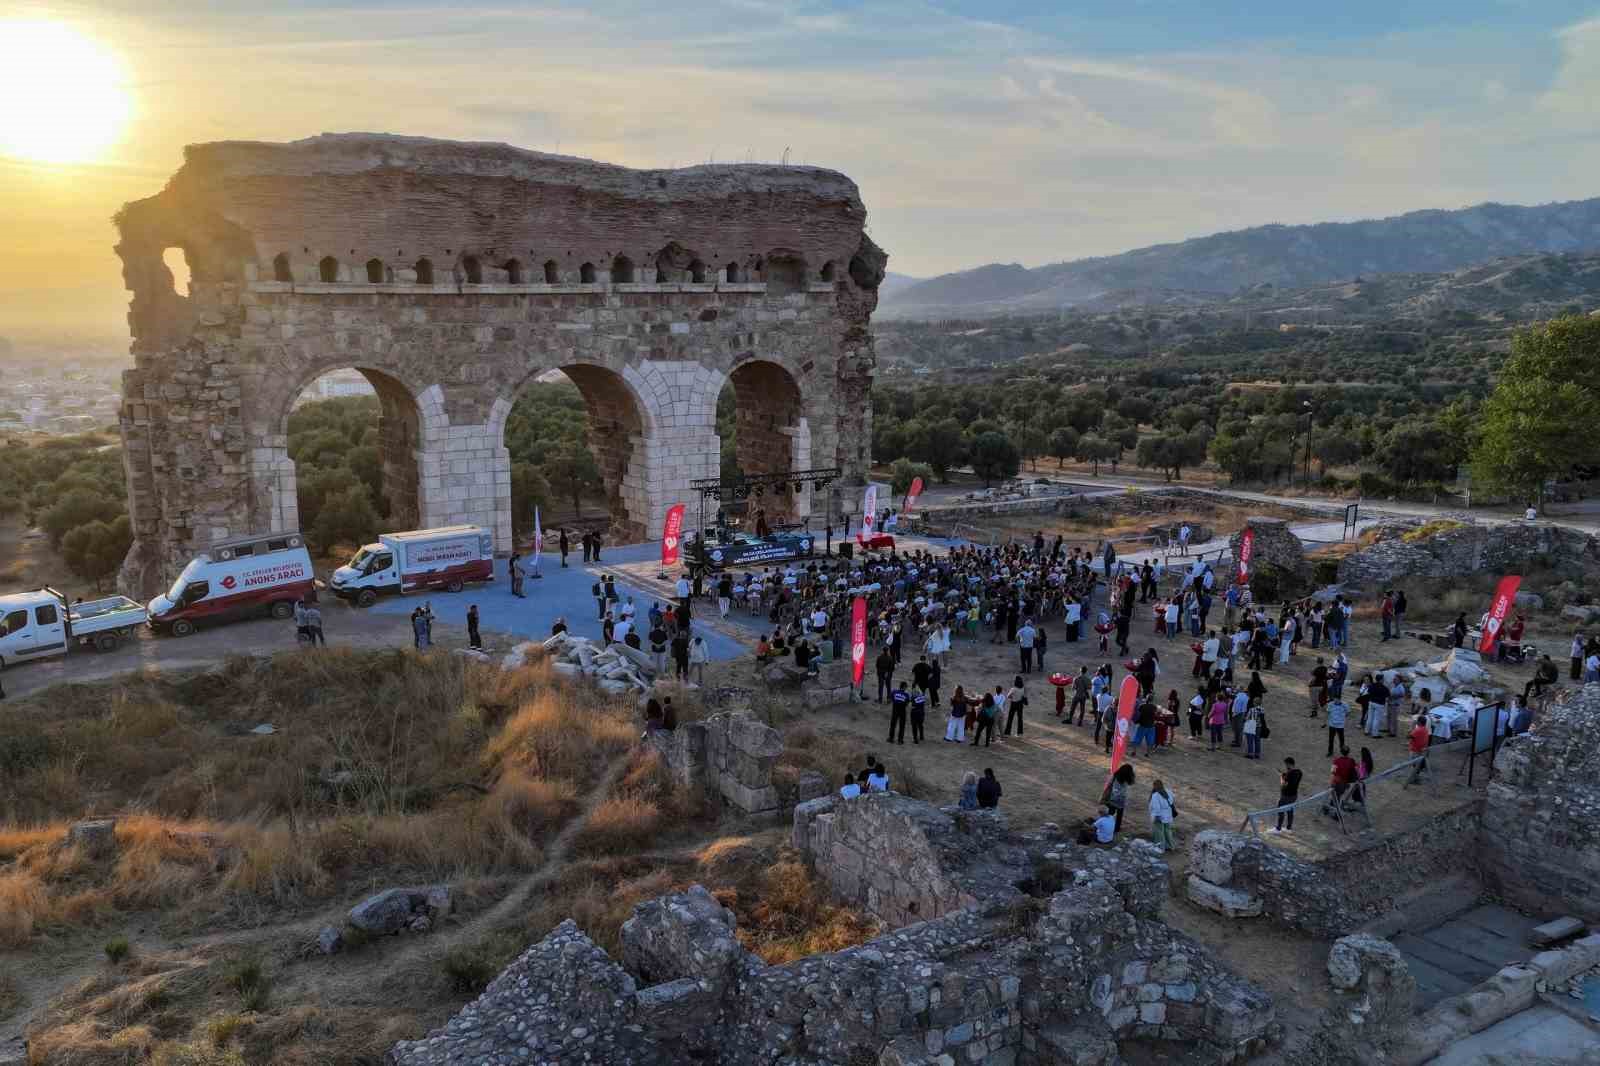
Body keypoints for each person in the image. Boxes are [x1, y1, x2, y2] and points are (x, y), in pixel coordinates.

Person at [1271, 757, 1303, 832]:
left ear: (1288, 764)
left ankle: (1278, 828)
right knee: (1290, 810)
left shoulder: (1289, 773)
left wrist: (1282, 777)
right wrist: (1284, 774)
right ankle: (1289, 828)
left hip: (1286, 796)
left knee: (1281, 810)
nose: (1285, 766)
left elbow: (1283, 784)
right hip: (1294, 795)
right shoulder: (1299, 772)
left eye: (1286, 764)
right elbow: (1292, 779)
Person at [1325, 749, 1357, 815]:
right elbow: (1355, 770)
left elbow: (1333, 772)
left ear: (1341, 752)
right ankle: (1328, 808)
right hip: (1346, 783)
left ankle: (1336, 814)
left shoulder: (1336, 761)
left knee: (1337, 797)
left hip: (1337, 782)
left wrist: (1331, 783)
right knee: (1337, 796)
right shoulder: (1351, 761)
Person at [1104, 763, 1135, 833]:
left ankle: (1108, 827)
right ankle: (1116, 829)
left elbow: (1111, 786)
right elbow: (1124, 790)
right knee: (1119, 816)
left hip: (1113, 799)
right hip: (1120, 800)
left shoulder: (1116, 776)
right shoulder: (1126, 779)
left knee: (1110, 814)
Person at [1149, 779, 1176, 852]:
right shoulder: (1168, 791)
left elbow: (1156, 807)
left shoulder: (1155, 795)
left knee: (1159, 832)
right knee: (1167, 831)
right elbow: (1172, 799)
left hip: (1159, 815)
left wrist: (1157, 816)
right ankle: (1171, 846)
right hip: (1168, 814)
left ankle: (1161, 848)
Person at [1405, 716, 1431, 785]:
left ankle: (1413, 779)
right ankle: (1416, 778)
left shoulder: (1417, 730)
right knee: (1417, 766)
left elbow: (1408, 736)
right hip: (1422, 750)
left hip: (1415, 750)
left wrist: (1411, 728)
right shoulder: (1425, 729)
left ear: (1419, 722)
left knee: (1413, 766)